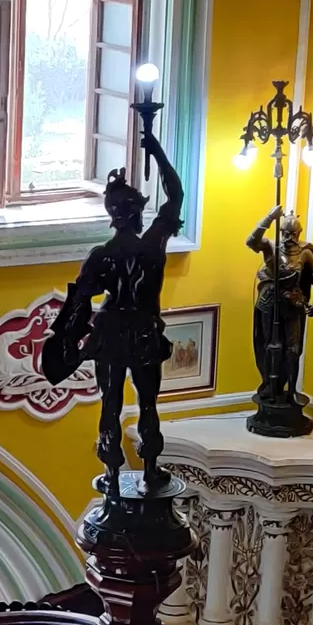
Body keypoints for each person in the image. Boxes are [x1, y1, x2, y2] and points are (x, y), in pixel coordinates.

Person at [38, 116, 183, 493]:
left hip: (110, 332)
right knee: (148, 402)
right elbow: (176, 196)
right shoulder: (153, 245)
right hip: (145, 330)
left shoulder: (101, 255)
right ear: (135, 213)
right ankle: (150, 469)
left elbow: (79, 305)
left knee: (110, 404)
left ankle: (113, 474)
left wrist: (72, 343)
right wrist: (157, 152)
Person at [246, 206, 313, 436]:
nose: (289, 237)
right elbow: (251, 241)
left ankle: (291, 389)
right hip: (269, 304)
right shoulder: (270, 246)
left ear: (299, 233)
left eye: (293, 234)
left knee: (293, 349)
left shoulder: (305, 253)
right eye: (285, 233)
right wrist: (269, 218)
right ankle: (271, 386)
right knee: (270, 346)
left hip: (292, 306)